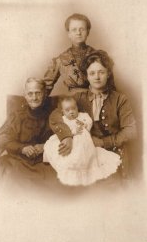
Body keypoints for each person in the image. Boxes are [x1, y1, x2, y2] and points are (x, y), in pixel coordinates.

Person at [49, 50, 137, 179]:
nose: (97, 77)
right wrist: (66, 136)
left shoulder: (120, 99)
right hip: (86, 151)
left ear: (108, 73)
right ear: (87, 76)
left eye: (101, 72)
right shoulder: (78, 98)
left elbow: (130, 131)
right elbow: (55, 115)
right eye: (92, 73)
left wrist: (103, 142)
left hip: (113, 149)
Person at [43, 96, 121, 186]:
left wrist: (84, 124)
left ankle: (86, 169)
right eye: (67, 110)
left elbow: (89, 122)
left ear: (77, 108)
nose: (71, 112)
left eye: (73, 109)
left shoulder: (83, 115)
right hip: (72, 139)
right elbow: (63, 128)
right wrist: (72, 132)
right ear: (63, 112)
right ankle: (72, 169)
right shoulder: (64, 119)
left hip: (83, 140)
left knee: (86, 153)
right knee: (64, 152)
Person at [0, 78, 58, 180]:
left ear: (45, 94)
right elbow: (7, 141)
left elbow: (63, 138)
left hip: (45, 162)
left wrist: (46, 146)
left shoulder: (54, 115)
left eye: (38, 93)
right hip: (19, 162)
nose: (34, 98)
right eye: (30, 94)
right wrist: (22, 148)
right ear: (25, 95)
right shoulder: (17, 116)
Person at [43, 13, 96, 94]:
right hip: (73, 103)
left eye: (82, 29)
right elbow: (45, 88)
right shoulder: (60, 60)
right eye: (74, 29)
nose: (78, 33)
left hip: (96, 101)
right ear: (68, 33)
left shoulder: (98, 56)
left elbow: (110, 87)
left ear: (88, 32)